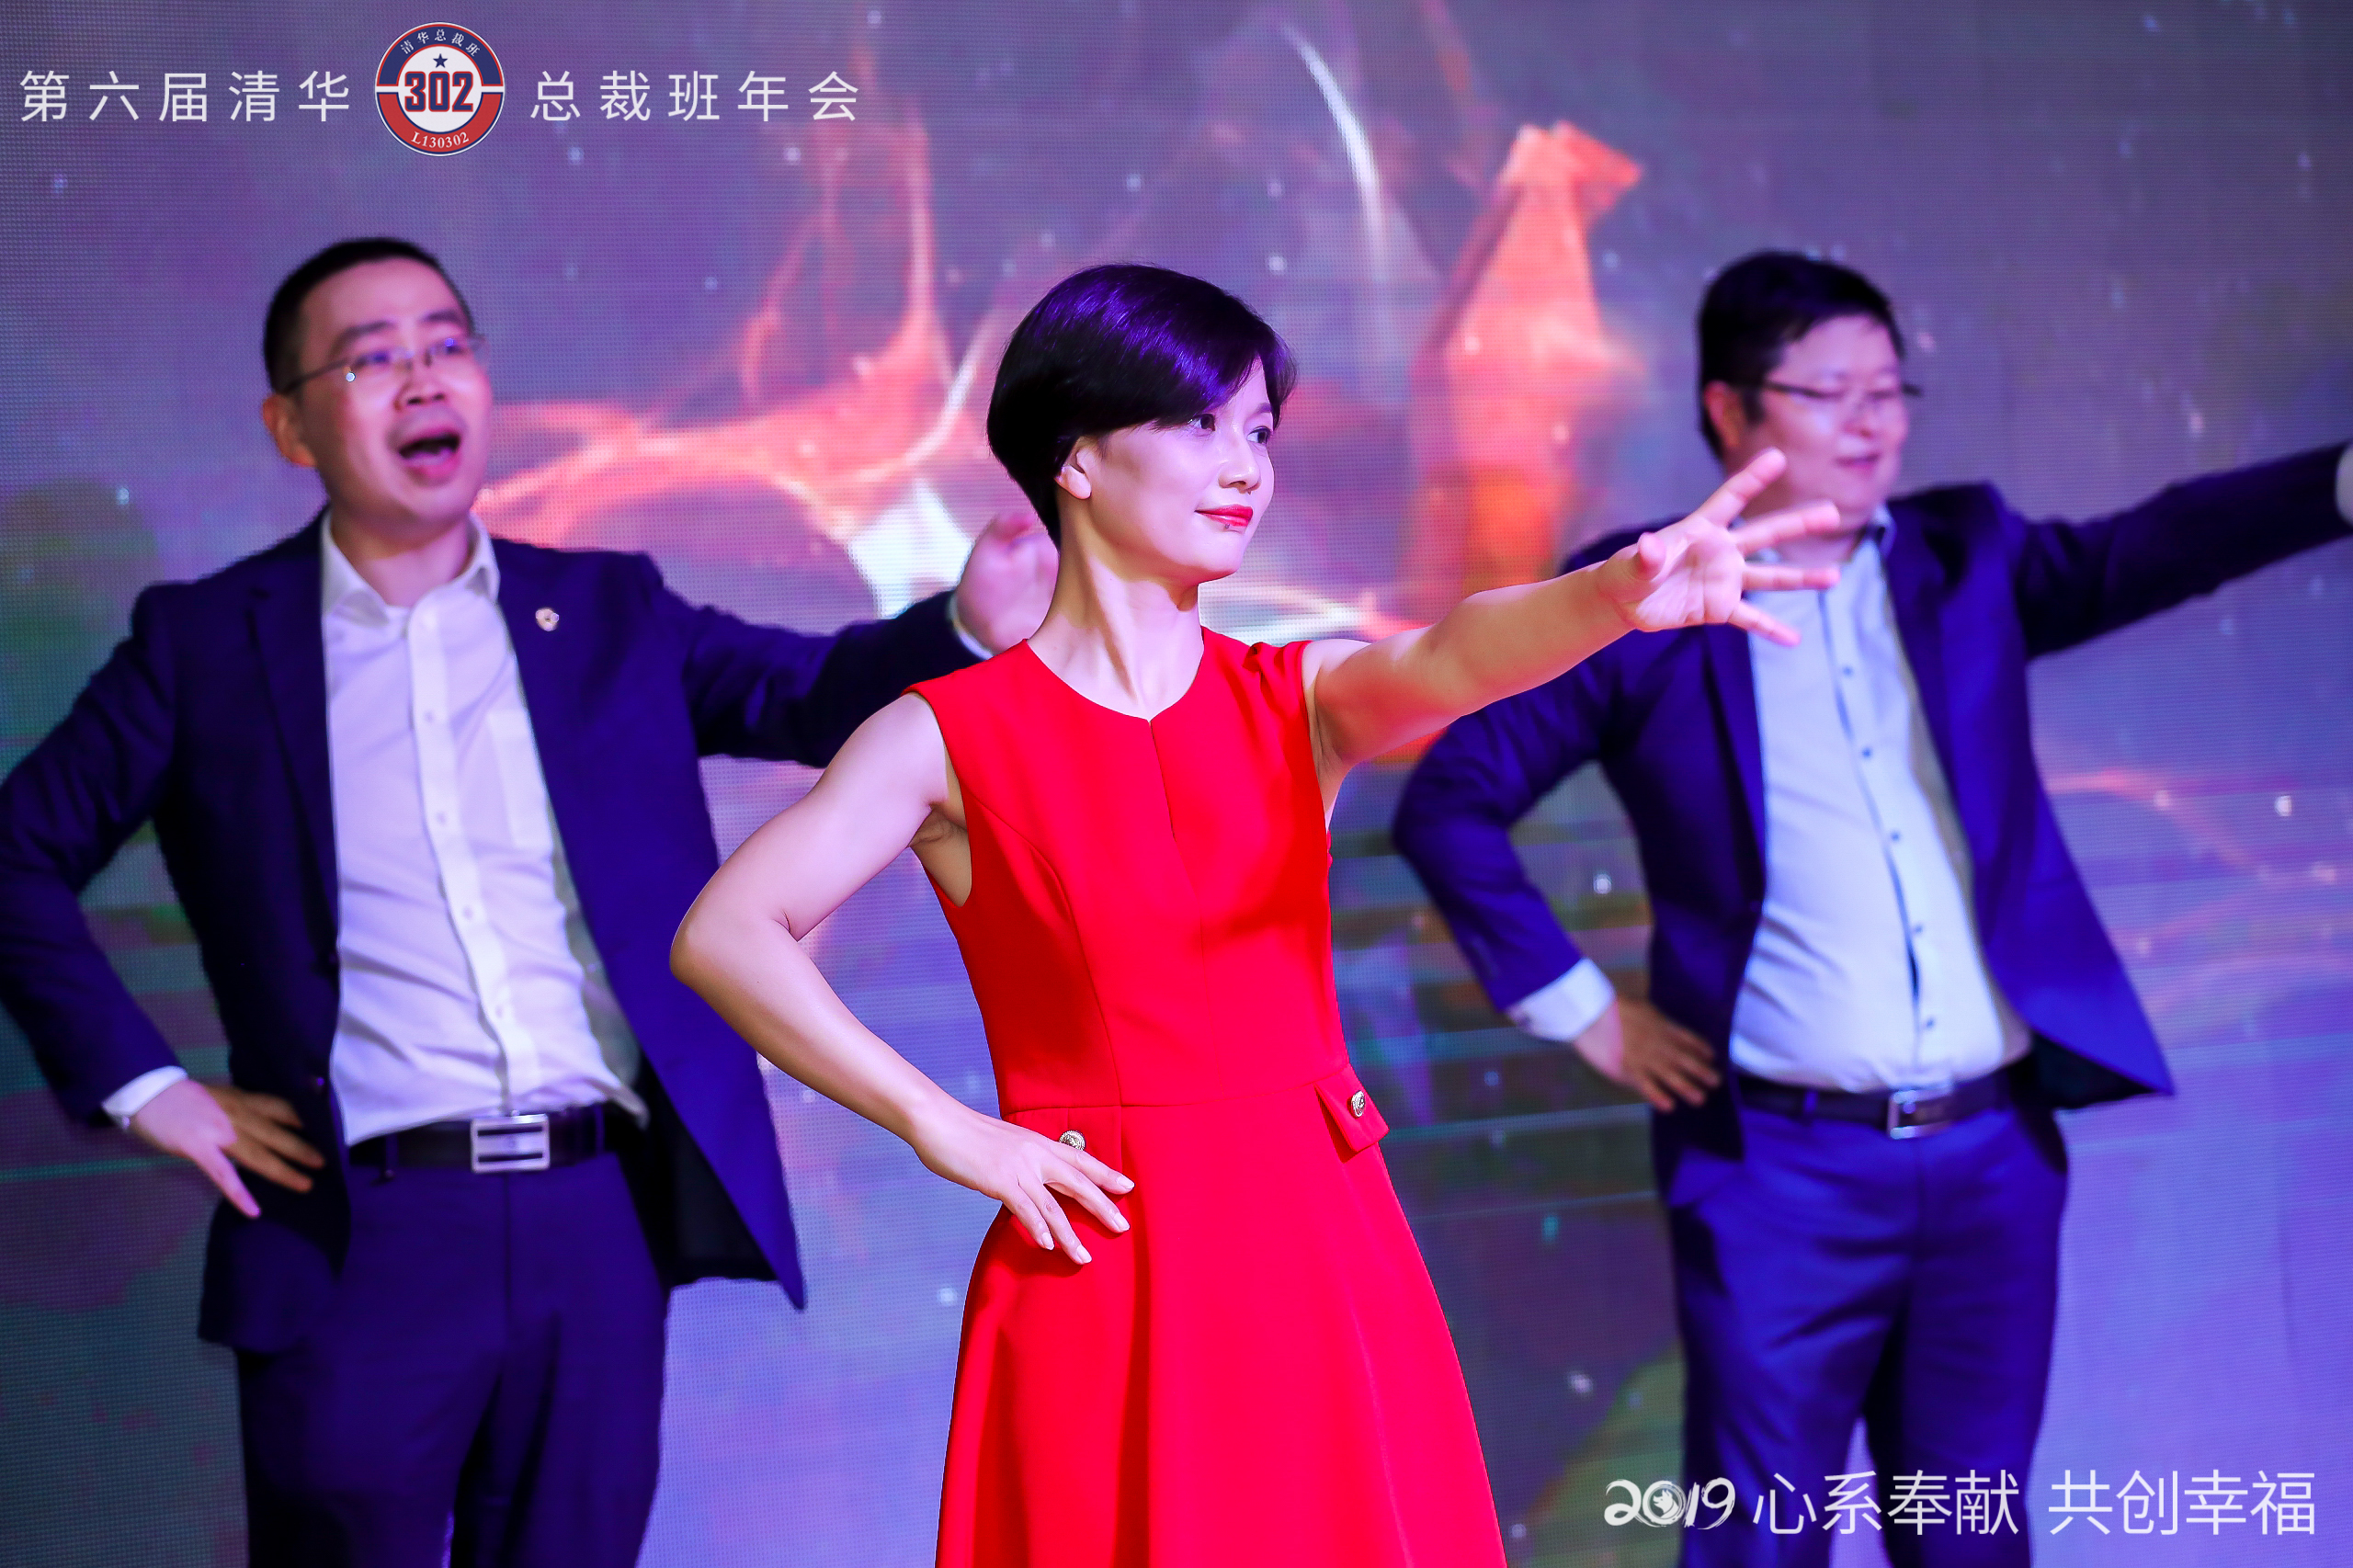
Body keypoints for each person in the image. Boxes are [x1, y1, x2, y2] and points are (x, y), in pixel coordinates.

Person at [669, 261, 1841, 1565]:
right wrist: (945, 1128)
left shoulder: (1296, 698)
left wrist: (1609, 598)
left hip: (1316, 1234)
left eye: (1260, 431)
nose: (1245, 467)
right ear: (1075, 457)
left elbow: (1456, 652)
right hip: (1104, 1250)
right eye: (1198, 423)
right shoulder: (947, 735)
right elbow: (726, 934)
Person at [0, 236, 1057, 1568]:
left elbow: (804, 697)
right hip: (360, 1231)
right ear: (290, 426)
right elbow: (16, 854)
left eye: (447, 344)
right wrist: (144, 1085)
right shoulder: (206, 643)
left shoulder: (604, 610)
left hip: (595, 1220)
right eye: (370, 359)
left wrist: (961, 625)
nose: (422, 378)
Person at [1391, 251, 2353, 1566]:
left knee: (1967, 1531)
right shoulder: (1648, 595)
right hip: (1782, 1172)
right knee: (1760, 1537)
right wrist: (1584, 1013)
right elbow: (1449, 798)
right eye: (1829, 392)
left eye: (1890, 390)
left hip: (1992, 1156)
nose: (1872, 423)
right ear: (1729, 409)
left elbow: (2158, 543)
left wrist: (2336, 482)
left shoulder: (1965, 559)